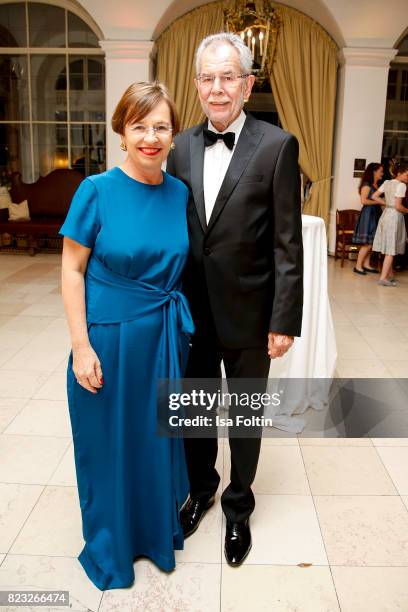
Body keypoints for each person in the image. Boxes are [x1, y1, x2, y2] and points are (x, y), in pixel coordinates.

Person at [166, 33, 303, 566]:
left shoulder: (277, 145)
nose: (216, 89)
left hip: (251, 313)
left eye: (228, 77)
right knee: (196, 413)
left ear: (248, 85)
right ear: (197, 84)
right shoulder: (177, 147)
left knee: (244, 418)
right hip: (192, 314)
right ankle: (201, 489)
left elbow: (286, 244)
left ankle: (238, 505)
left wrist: (283, 319)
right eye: (207, 77)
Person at [59, 82, 193, 590]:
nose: (151, 137)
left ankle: (155, 535)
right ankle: (112, 544)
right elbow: (72, 271)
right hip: (108, 343)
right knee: (109, 445)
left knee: (154, 440)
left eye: (161, 126)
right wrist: (80, 346)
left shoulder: (179, 192)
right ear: (122, 131)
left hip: (162, 342)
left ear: (173, 135)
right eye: (140, 126)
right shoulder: (95, 190)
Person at [372, 159, 408, 286]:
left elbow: (374, 196)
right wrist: (407, 210)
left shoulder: (386, 182)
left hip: (386, 214)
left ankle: (390, 275)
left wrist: (387, 204)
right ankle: (383, 278)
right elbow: (398, 206)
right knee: (391, 249)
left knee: (389, 245)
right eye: (407, 174)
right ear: (399, 173)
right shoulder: (402, 185)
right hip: (394, 216)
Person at [352, 162, 384, 275]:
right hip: (368, 214)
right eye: (381, 171)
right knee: (367, 243)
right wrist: (379, 202)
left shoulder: (377, 184)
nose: (382, 173)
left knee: (372, 242)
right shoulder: (366, 184)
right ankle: (357, 266)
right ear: (374, 172)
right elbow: (363, 201)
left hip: (375, 214)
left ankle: (366, 264)